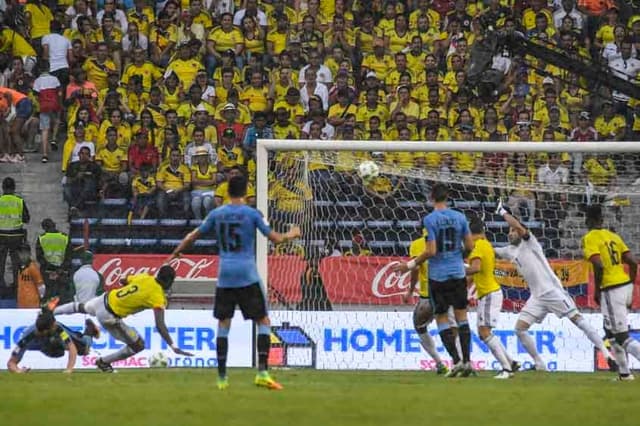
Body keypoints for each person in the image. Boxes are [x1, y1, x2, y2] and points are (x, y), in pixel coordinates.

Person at [169, 175, 301, 390]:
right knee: (263, 321)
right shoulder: (252, 213)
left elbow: (193, 236)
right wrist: (292, 234)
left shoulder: (217, 213)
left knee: (223, 324)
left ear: (228, 192)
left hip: (225, 274)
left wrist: (176, 252)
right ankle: (262, 373)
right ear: (246, 193)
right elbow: (275, 238)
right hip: (247, 274)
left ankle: (222, 378)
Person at [494, 199, 615, 371]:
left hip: (552, 291)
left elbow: (521, 229)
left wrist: (503, 212)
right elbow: (490, 251)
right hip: (536, 297)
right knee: (520, 329)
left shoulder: (530, 243)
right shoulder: (509, 251)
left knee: (577, 320)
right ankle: (540, 364)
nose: (510, 233)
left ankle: (606, 353)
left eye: (513, 230)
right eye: (509, 231)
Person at [394, 183, 475, 377]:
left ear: (431, 198)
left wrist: (409, 266)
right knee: (462, 317)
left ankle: (455, 362)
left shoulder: (430, 220)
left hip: (438, 276)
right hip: (458, 273)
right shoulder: (460, 217)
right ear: (448, 198)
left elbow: (431, 251)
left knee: (441, 319)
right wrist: (457, 256)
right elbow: (470, 246)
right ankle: (467, 362)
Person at [53, 265, 193, 372]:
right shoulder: (158, 297)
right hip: (110, 316)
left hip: (104, 299)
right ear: (169, 281)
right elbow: (160, 325)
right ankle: (103, 361)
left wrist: (131, 290)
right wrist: (173, 346)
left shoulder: (145, 277)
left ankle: (51, 312)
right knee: (138, 345)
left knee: (81, 307)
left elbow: (123, 280)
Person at [582, 204, 640, 381]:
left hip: (611, 289)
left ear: (587, 220)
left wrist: (598, 289)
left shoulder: (590, 237)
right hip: (624, 285)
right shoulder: (613, 236)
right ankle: (624, 374)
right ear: (602, 219)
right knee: (609, 332)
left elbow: (598, 265)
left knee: (621, 336)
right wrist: (630, 285)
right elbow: (632, 262)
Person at [465, 217, 519, 379]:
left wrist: (455, 269)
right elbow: (477, 273)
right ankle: (511, 362)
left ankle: (507, 369)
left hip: (489, 294)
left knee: (484, 331)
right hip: (488, 293)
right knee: (483, 333)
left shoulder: (478, 247)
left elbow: (475, 269)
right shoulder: (486, 245)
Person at [402, 230, 455, 375]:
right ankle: (461, 362)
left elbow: (416, 268)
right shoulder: (446, 243)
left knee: (420, 327)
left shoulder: (417, 244)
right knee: (452, 327)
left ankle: (439, 363)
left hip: (428, 296)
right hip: (447, 292)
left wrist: (411, 290)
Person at [7, 309, 100, 374]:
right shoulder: (25, 338)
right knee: (58, 353)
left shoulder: (58, 328)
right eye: (53, 325)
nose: (55, 325)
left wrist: (69, 369)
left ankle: (90, 330)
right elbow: (11, 363)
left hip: (54, 340)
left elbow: (72, 347)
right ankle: (58, 345)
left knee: (83, 349)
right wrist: (18, 371)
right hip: (48, 345)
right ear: (46, 330)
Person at [0, 177, 30, 302]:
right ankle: (16, 287)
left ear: (2, 187)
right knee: (16, 263)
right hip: (16, 236)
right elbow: (26, 219)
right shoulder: (19, 200)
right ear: (14, 188)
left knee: (0, 262)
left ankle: (1, 286)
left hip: (1, 235)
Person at [36, 218, 73, 303]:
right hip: (62, 272)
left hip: (47, 272)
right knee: (62, 295)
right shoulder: (65, 237)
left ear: (44, 227)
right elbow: (69, 255)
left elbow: (39, 257)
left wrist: (51, 269)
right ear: (54, 225)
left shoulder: (42, 238)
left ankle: (47, 313)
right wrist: (61, 268)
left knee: (48, 295)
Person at [16, 243, 45, 309]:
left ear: (29, 254)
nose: (23, 256)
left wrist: (41, 299)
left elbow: (40, 285)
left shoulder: (33, 267)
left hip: (32, 303)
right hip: (21, 303)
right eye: (21, 253)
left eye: (25, 253)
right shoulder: (19, 267)